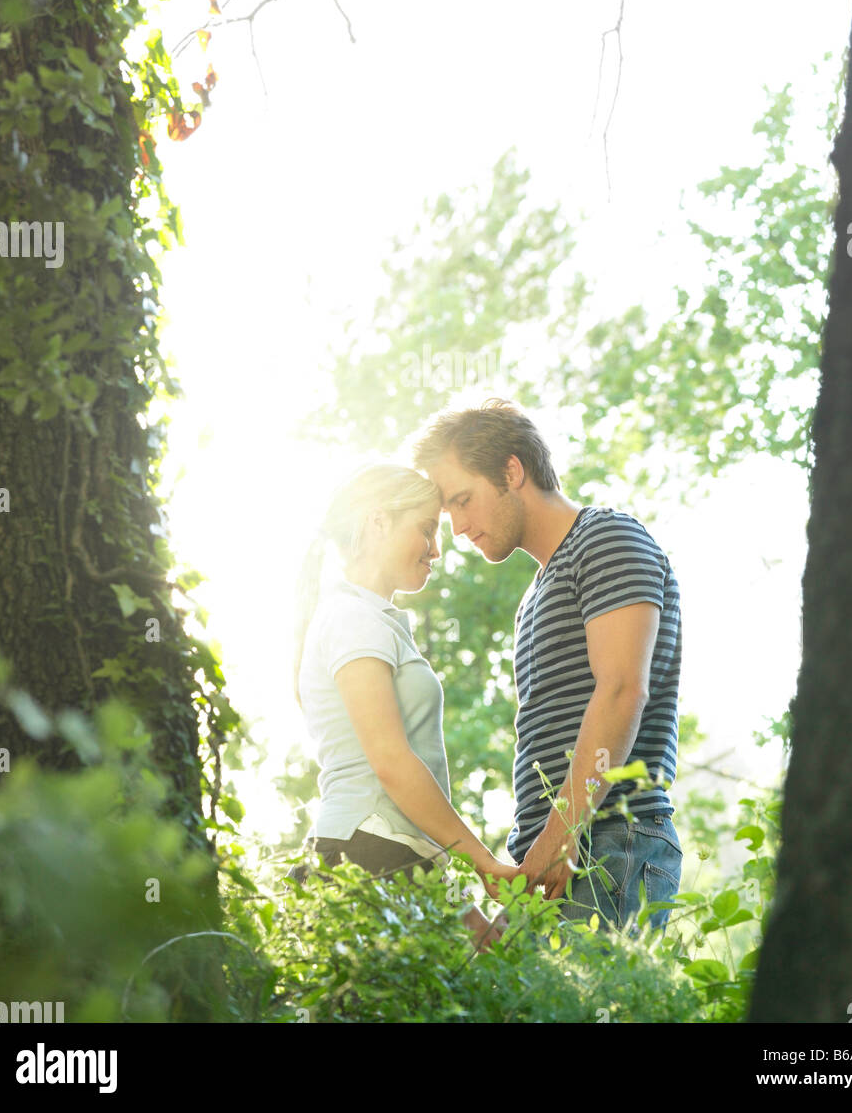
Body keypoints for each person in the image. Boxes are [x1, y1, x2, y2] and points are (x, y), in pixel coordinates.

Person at [412, 399, 684, 934]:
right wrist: (538, 850)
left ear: (512, 471)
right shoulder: (534, 594)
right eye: (450, 512)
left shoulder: (606, 538)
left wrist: (562, 834)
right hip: (548, 855)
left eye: (463, 501)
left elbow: (623, 690)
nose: (460, 527)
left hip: (608, 839)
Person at [292, 463, 519, 949]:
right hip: (361, 855)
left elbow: (403, 827)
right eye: (426, 529)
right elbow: (391, 765)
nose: (436, 550)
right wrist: (483, 860)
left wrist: (466, 913)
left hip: (389, 856)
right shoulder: (353, 618)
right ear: (377, 523)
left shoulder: (373, 619)